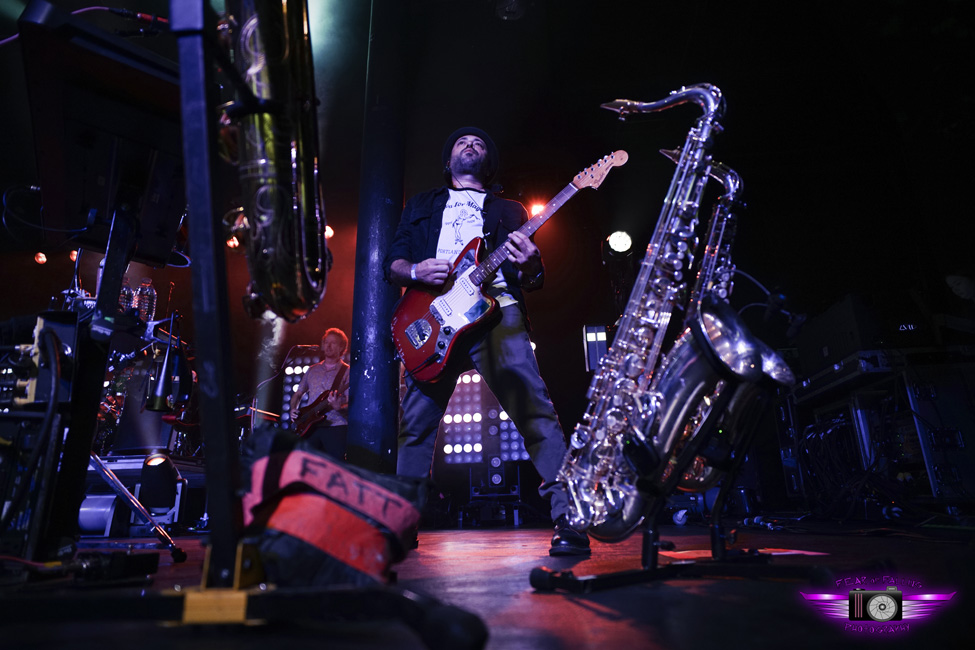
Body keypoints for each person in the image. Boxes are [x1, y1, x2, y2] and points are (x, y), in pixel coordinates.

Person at [382, 126, 590, 556]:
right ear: (448, 161)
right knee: (415, 427)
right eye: (461, 141)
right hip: (433, 317)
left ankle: (569, 519)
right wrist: (417, 271)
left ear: (488, 163)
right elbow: (393, 261)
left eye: (479, 143)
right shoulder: (421, 204)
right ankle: (400, 526)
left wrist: (533, 263)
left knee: (535, 411)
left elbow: (530, 278)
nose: (471, 145)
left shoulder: (510, 210)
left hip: (496, 310)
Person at [289, 328, 351, 459]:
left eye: (333, 343)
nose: (328, 346)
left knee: (336, 467)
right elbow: (298, 394)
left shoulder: (347, 371)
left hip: (335, 426)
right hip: (310, 427)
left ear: (342, 347)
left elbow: (352, 403)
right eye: (326, 342)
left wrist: (339, 407)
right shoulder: (312, 370)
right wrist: (293, 409)